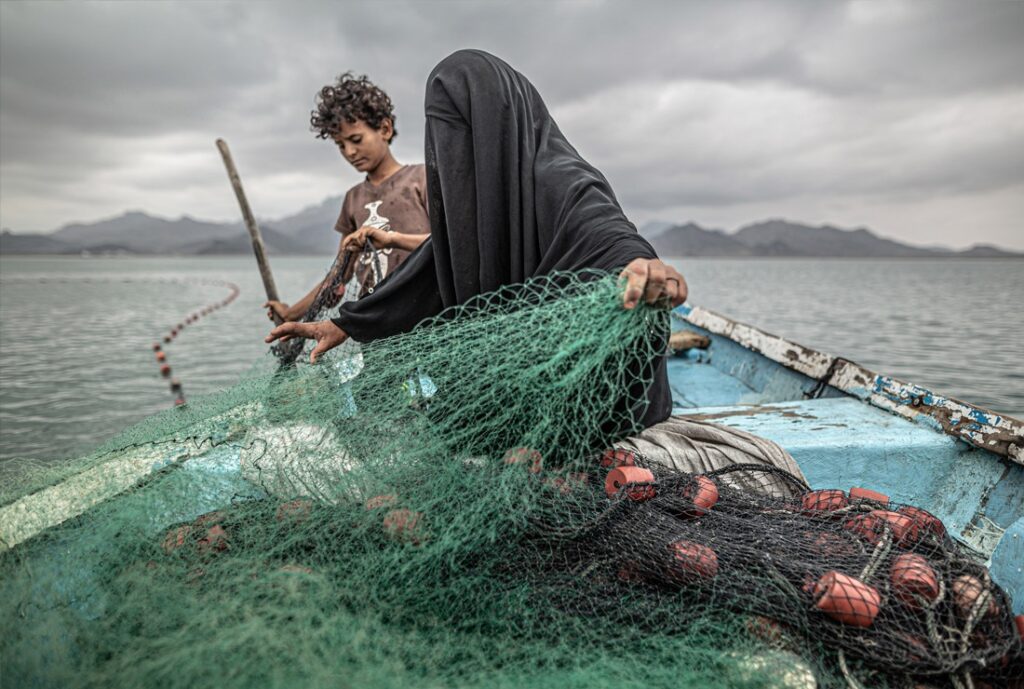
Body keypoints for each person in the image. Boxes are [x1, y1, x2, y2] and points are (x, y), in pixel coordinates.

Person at [267, 50, 687, 430]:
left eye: (463, 133)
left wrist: (643, 265)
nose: (452, 152)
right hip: (515, 384)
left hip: (583, 394)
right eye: (442, 137)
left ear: (496, 124)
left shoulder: (561, 179)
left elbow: (607, 235)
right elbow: (434, 264)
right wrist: (347, 323)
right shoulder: (471, 200)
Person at [264, 72, 431, 323]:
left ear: (385, 129)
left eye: (356, 140)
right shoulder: (353, 199)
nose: (350, 152)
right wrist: (291, 313)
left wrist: (392, 239)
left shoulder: (422, 179)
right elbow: (340, 274)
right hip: (374, 322)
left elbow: (448, 245)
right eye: (341, 145)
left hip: (426, 316)